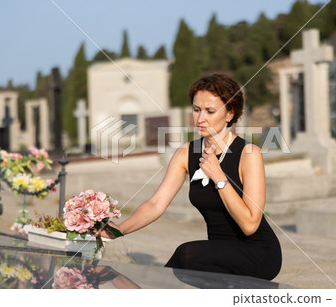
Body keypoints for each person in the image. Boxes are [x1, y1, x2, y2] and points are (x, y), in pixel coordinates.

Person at [101, 74, 282, 281]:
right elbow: (156, 203)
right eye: (196, 110)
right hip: (216, 252)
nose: (200, 119)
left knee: (185, 255)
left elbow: (250, 225)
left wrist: (219, 178)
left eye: (210, 111)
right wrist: (119, 230)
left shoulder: (249, 154)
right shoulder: (185, 154)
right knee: (179, 268)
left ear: (230, 114)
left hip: (259, 253)